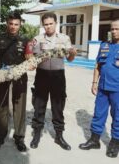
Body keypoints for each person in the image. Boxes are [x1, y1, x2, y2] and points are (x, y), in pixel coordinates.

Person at [28, 12, 76, 151]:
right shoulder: (37, 39)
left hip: (58, 76)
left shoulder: (64, 38)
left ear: (56, 23)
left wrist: (72, 53)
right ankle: (36, 135)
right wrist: (32, 62)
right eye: (46, 24)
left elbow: (70, 59)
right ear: (43, 25)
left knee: (58, 107)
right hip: (41, 75)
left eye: (50, 23)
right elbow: (33, 59)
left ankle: (59, 136)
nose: (48, 26)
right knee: (39, 105)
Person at [79, 19, 119, 158]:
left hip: (117, 89)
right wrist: (94, 83)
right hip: (102, 87)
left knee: (118, 116)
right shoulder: (104, 45)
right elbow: (98, 65)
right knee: (98, 114)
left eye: (117, 29)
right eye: (112, 29)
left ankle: (114, 143)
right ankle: (94, 140)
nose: (114, 32)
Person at [0, 12, 29, 152]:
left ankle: (19, 138)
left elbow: (29, 58)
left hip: (20, 77)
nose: (13, 27)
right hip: (3, 76)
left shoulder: (25, 40)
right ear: (7, 23)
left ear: (20, 24)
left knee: (19, 107)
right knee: (1, 106)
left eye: (16, 24)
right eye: (11, 24)